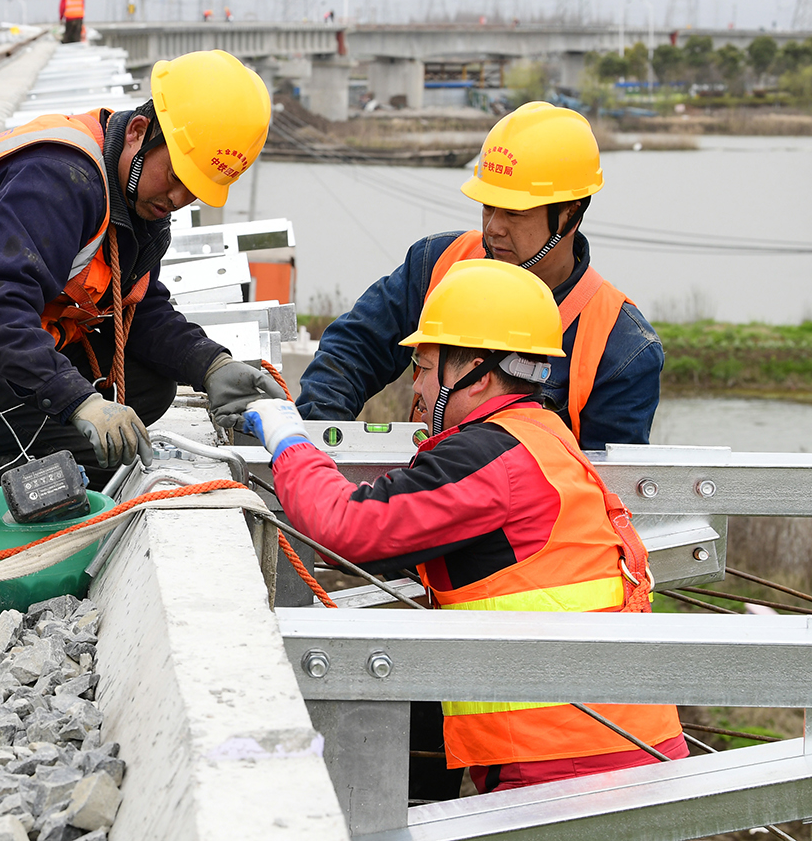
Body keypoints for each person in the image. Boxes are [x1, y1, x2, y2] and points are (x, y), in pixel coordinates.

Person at [246, 259, 687, 794]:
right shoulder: (543, 436)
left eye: (427, 367)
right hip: (612, 749)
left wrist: (290, 443)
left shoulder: (486, 459)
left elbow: (346, 525)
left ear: (475, 373)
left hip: (567, 766)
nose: (418, 386)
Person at [0, 50, 284, 486]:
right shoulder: (58, 179)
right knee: (104, 459)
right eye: (174, 176)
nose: (177, 199)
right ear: (137, 132)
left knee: (149, 384)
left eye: (193, 191)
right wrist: (79, 403)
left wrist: (210, 365)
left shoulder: (134, 200)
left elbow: (140, 308)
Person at [297, 102, 662, 451]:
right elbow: (351, 352)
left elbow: (605, 485)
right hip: (420, 496)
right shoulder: (437, 264)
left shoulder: (620, 346)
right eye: (488, 206)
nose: (493, 228)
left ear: (570, 213)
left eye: (515, 213)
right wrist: (318, 442)